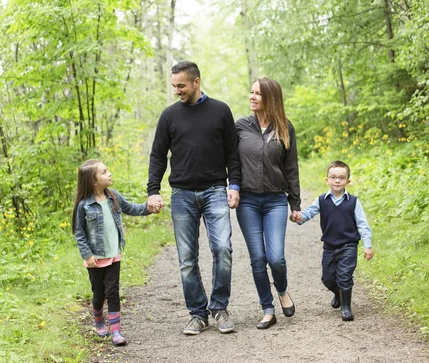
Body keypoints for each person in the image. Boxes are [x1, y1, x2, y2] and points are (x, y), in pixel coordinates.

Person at [147, 61, 241, 335]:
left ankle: (220, 308)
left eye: (181, 85)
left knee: (223, 249)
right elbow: (157, 156)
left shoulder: (221, 111)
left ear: (196, 82)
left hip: (215, 191)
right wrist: (153, 189)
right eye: (174, 86)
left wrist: (233, 184)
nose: (177, 91)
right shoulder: (168, 116)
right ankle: (198, 314)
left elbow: (232, 154)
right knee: (187, 258)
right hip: (181, 195)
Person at [235, 77, 301, 330]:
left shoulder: (285, 127)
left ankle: (282, 290)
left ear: (270, 99)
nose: (252, 97)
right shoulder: (240, 126)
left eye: (258, 94)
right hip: (248, 202)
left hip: (275, 201)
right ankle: (268, 308)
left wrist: (295, 204)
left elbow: (291, 167)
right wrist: (232, 188)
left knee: (276, 258)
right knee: (257, 258)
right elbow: (232, 162)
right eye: (251, 92)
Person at [73, 159, 159, 345]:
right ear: (94, 181)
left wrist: (149, 208)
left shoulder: (114, 197)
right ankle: (98, 319)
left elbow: (132, 209)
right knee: (99, 294)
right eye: (104, 172)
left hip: (113, 254)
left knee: (112, 292)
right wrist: (87, 255)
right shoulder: (84, 205)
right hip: (95, 258)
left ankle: (116, 332)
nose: (109, 173)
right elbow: (79, 233)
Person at [292, 160, 374, 321]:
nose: (337, 180)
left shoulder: (353, 202)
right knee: (328, 278)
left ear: (347, 181)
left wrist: (368, 246)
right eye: (334, 177)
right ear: (327, 180)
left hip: (348, 245)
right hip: (329, 247)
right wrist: (298, 218)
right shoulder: (322, 200)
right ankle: (339, 294)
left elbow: (363, 224)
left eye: (341, 178)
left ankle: (346, 307)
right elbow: (309, 213)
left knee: (344, 276)